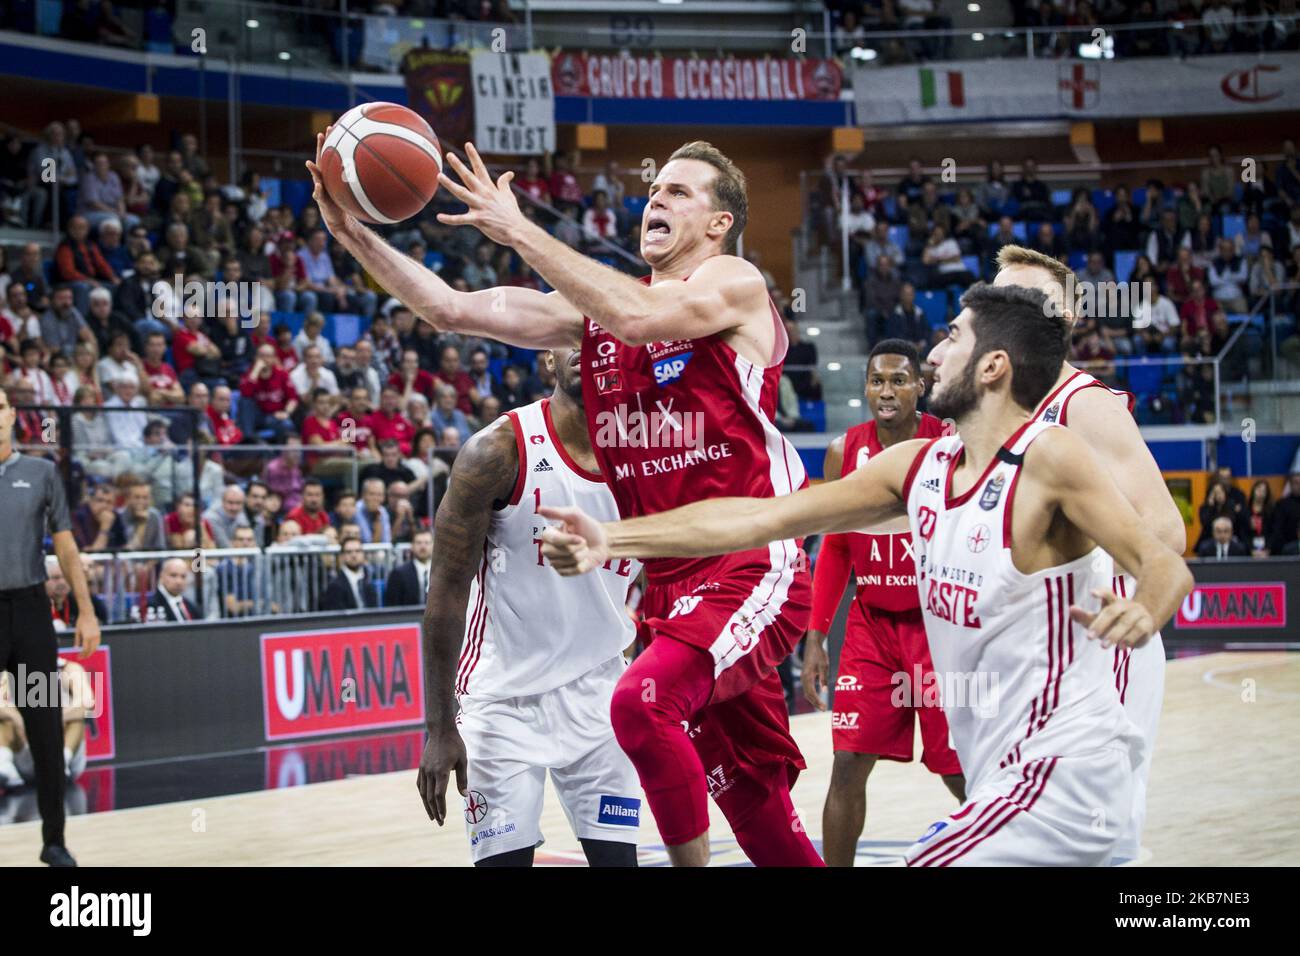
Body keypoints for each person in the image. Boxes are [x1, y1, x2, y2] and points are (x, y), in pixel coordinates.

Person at [541, 282, 1194, 866]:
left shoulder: (1050, 456)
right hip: (1006, 776)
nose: (933, 355)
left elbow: (1163, 560)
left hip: (1065, 776)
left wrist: (1145, 608)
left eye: (952, 338)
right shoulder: (918, 467)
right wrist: (612, 538)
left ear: (994, 367)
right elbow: (758, 520)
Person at [312, 137, 822, 866]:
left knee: (639, 708)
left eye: (679, 192)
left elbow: (642, 319)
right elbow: (449, 308)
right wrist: (352, 233)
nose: (657, 199)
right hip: (671, 583)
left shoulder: (733, 282)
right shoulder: (596, 320)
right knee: (753, 799)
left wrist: (516, 226)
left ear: (719, 224)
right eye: (655, 190)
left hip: (748, 558)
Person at [992, 244, 1188, 863]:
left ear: (1068, 318)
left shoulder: (1083, 404)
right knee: (1030, 819)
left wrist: (1132, 609)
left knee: (1104, 828)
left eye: (1032, 299)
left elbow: (1167, 532)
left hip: (1102, 638)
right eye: (1003, 298)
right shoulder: (989, 414)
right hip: (1031, 647)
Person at [415, 348, 641, 867]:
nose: (587, 349)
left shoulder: (644, 453)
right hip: (504, 700)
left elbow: (665, 569)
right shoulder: (496, 452)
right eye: (571, 336)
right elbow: (447, 591)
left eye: (600, 336)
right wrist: (439, 727)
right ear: (547, 360)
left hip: (603, 691)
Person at [800, 339, 958, 867]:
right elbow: (836, 545)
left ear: (921, 386)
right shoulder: (846, 452)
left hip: (939, 630)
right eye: (876, 380)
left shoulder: (952, 444)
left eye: (898, 380)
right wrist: (817, 635)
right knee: (846, 763)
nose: (885, 391)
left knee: (958, 769)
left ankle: (1009, 853)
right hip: (870, 628)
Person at [0, 384, 102, 866]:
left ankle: (54, 841)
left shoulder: (40, 472)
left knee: (44, 726)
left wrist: (85, 610)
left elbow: (65, 547)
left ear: (11, 414)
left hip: (28, 612)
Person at [319, 536, 378, 611]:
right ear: (342, 556)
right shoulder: (335, 586)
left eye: (358, 551)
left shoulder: (368, 580)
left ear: (363, 554)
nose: (354, 555)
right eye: (349, 552)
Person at [384, 528, 433, 608]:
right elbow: (392, 607)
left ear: (433, 546)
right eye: (419, 543)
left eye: (427, 543)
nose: (423, 547)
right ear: (412, 546)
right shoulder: (399, 574)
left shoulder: (441, 574)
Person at [144, 557, 199, 622]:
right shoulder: (152, 606)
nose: (179, 581)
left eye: (183, 576)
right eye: (173, 575)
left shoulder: (190, 605)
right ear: (161, 576)